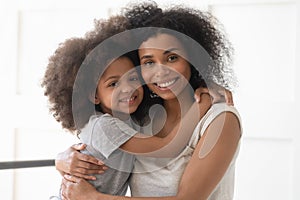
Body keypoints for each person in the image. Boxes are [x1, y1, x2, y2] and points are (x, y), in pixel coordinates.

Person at [58, 2, 242, 200]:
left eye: (172, 58)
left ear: (192, 59)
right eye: (148, 62)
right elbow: (95, 147)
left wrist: (93, 198)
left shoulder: (220, 119)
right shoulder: (141, 118)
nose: (161, 71)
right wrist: (62, 160)